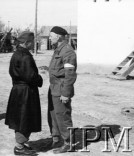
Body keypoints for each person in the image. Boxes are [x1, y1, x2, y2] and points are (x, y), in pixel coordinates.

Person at [5, 31, 43, 155]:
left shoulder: (16, 53)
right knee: (25, 119)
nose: (33, 44)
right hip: (26, 92)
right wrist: (39, 79)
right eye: (32, 42)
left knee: (20, 118)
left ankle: (22, 144)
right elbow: (31, 76)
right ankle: (19, 147)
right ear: (27, 43)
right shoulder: (25, 56)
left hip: (17, 90)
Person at [47, 26, 77, 154]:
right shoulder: (58, 50)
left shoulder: (67, 51)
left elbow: (70, 75)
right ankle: (56, 139)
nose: (49, 38)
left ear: (58, 37)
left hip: (61, 89)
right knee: (53, 115)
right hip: (54, 88)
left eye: (51, 36)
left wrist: (66, 93)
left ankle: (69, 143)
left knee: (63, 116)